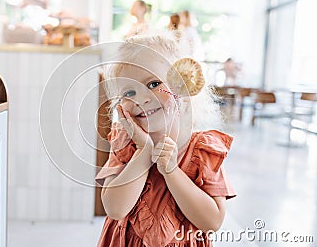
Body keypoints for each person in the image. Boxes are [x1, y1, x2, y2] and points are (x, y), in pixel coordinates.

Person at [95, 34, 236, 246]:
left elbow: (212, 221)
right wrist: (144, 152)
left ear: (182, 86)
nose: (141, 98)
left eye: (153, 84)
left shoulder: (202, 149)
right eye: (129, 91)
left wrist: (171, 171)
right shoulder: (125, 143)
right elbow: (115, 209)